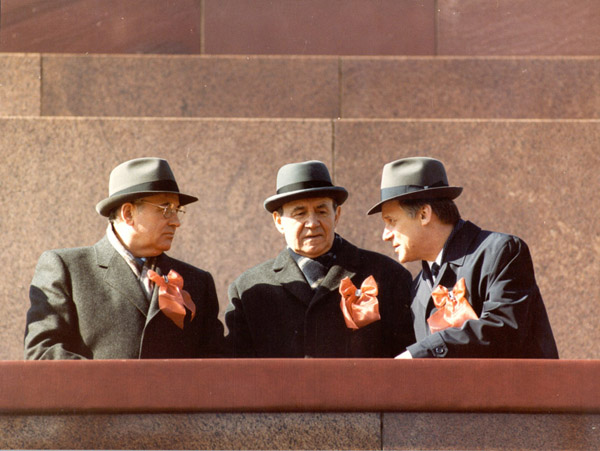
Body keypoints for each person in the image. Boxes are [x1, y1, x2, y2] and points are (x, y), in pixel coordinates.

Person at [24, 157, 225, 359]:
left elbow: (215, 362)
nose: (176, 222)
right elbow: (43, 353)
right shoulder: (68, 269)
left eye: (177, 210)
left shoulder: (198, 281)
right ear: (128, 213)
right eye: (166, 209)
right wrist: (114, 384)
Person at [367, 156, 558, 358]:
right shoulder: (418, 289)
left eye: (391, 221)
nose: (385, 235)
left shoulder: (501, 252)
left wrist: (419, 355)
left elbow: (504, 328)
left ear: (424, 214)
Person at [225, 160, 414, 358]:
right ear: (279, 221)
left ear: (337, 214)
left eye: (322, 211)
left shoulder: (388, 274)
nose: (313, 223)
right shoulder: (249, 288)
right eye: (300, 213)